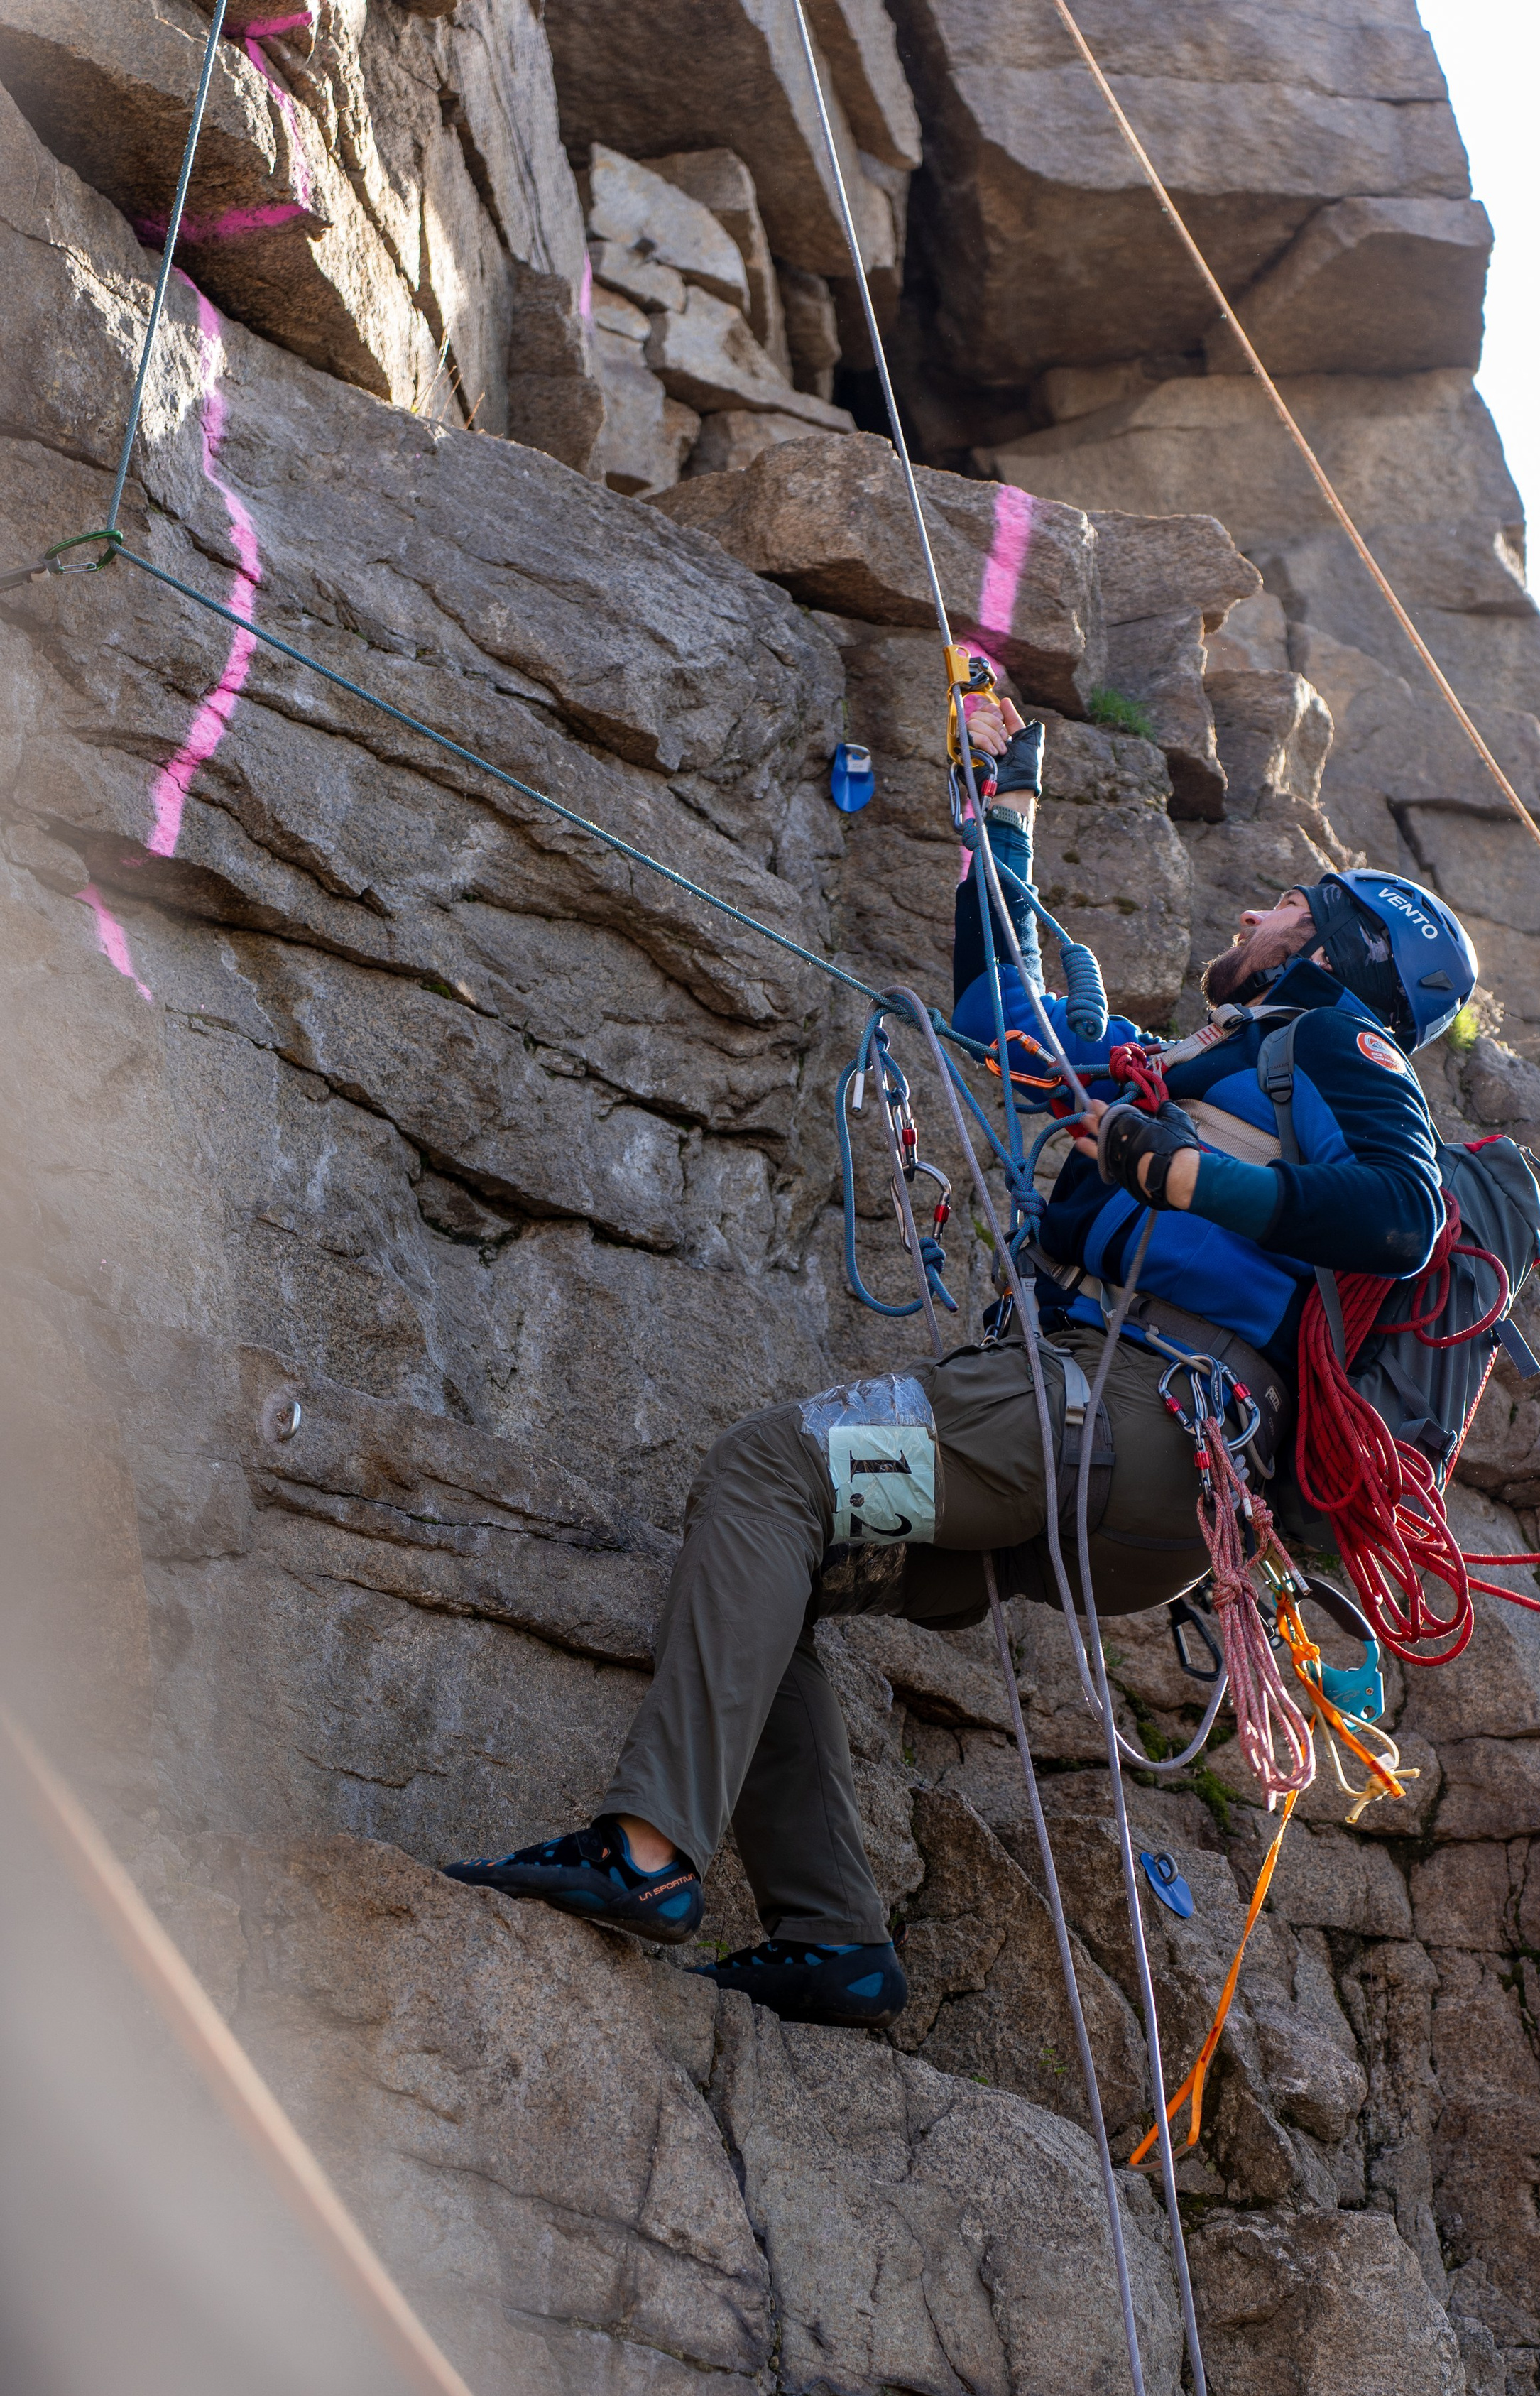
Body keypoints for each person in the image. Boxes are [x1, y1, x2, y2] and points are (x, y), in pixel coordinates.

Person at [444, 689, 1478, 2026]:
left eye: (1285, 903)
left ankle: (647, 1859)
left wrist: (1191, 1184)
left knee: (770, 1474)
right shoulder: (1193, 1064)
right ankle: (834, 1936)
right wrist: (1003, 808)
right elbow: (1001, 1011)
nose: (1251, 914)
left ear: (1333, 949)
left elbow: (1405, 1217)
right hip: (1125, 1505)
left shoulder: (1338, 1044)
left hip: (1113, 1418)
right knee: (790, 1553)